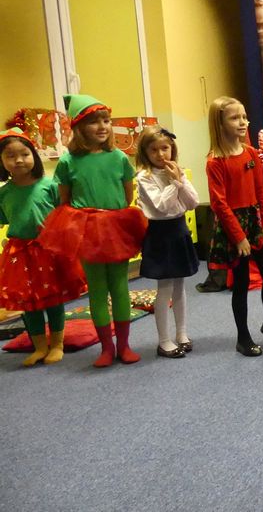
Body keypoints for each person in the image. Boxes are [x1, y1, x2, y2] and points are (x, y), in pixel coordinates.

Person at [40, 94, 148, 367]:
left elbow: (127, 195)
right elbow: (65, 199)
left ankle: (124, 346)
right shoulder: (68, 162)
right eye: (94, 122)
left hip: (114, 227)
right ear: (78, 128)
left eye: (106, 121)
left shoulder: (118, 158)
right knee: (97, 289)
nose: (102, 127)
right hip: (85, 229)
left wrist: (111, 215)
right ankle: (106, 349)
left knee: (120, 287)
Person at [0, 129, 86, 366]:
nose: (18, 160)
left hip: (48, 251)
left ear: (34, 156)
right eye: (10, 156)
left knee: (53, 299)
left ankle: (57, 344)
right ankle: (39, 347)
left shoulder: (49, 185)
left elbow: (64, 214)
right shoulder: (4, 193)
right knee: (28, 304)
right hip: (20, 254)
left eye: (24, 154)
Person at [205, 96, 263, 357]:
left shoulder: (250, 154)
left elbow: (262, 190)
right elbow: (219, 204)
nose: (242, 122)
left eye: (244, 116)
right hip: (233, 227)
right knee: (241, 282)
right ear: (220, 124)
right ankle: (243, 336)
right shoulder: (215, 161)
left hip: (255, 222)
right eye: (235, 118)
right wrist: (238, 237)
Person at [135, 126, 200, 358]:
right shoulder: (145, 177)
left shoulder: (176, 172)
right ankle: (164, 341)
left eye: (165, 148)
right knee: (164, 288)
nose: (161, 154)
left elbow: (193, 202)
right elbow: (162, 206)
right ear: (145, 153)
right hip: (160, 233)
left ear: (172, 148)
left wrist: (179, 180)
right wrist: (174, 184)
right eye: (154, 150)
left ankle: (181, 333)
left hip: (179, 230)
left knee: (180, 286)